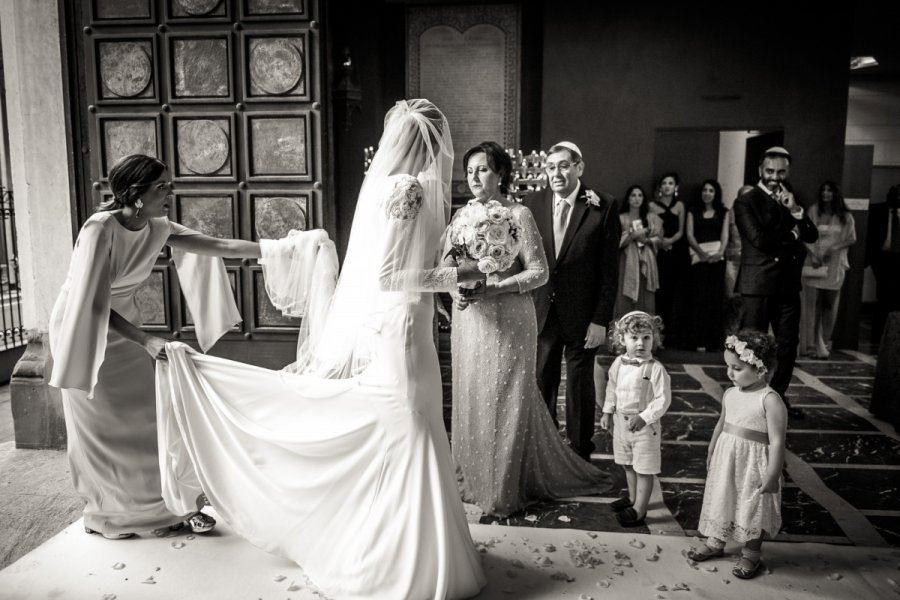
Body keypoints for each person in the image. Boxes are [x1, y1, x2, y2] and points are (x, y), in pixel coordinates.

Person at [153, 100, 487, 599]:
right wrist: (456, 274)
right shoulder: (409, 189)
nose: (443, 153)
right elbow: (391, 275)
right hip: (400, 329)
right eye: (440, 142)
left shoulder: (386, 189)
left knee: (412, 429)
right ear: (427, 143)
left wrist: (445, 282)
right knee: (411, 427)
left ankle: (406, 549)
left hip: (401, 323)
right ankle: (400, 557)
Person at [48, 154, 261, 539]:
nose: (170, 191)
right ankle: (110, 513)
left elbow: (221, 245)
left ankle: (168, 505)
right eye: (162, 186)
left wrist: (285, 250)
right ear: (135, 194)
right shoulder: (99, 229)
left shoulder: (156, 226)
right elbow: (93, 303)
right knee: (102, 425)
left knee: (148, 419)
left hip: (126, 327)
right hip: (83, 327)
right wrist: (145, 340)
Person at [445, 141, 609, 517]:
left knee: (506, 397)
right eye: (469, 171)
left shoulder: (519, 215)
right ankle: (473, 476)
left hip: (510, 317)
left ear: (500, 173)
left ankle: (502, 485)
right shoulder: (460, 217)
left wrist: (499, 286)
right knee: (473, 395)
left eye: (483, 169)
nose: (474, 178)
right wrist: (457, 293)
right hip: (471, 320)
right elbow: (451, 268)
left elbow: (538, 271)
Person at [523, 141, 620, 461]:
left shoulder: (603, 206)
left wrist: (600, 320)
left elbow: (609, 271)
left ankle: (580, 452)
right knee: (542, 381)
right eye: (550, 167)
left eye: (564, 165)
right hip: (542, 310)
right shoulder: (532, 203)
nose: (556, 173)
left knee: (580, 385)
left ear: (579, 167)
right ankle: (546, 450)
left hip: (583, 315)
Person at [689, 329, 786, 581]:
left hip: (754, 465)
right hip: (727, 458)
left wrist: (773, 474)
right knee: (724, 497)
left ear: (760, 369)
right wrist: (711, 449)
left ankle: (751, 552)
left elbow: (777, 441)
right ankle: (716, 540)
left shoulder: (770, 400)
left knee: (752, 507)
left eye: (737, 368)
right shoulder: (730, 393)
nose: (730, 373)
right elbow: (722, 423)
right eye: (728, 367)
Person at [734, 147, 817, 419]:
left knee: (787, 345)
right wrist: (792, 236)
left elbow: (812, 235)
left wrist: (793, 209)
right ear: (761, 170)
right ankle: (747, 401)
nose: (775, 177)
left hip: (788, 285)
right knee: (751, 346)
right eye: (770, 171)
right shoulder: (746, 201)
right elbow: (759, 240)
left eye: (781, 172)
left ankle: (777, 400)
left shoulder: (792, 198)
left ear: (787, 172)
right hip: (757, 283)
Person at [600, 311, 671, 527]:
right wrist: (607, 411)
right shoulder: (618, 365)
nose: (640, 343)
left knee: (644, 468)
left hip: (644, 427)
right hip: (621, 424)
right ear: (621, 339)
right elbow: (612, 389)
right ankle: (632, 499)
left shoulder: (655, 369)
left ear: (654, 339)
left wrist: (644, 417)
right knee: (628, 464)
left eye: (646, 337)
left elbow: (662, 400)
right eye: (634, 338)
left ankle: (640, 509)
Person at [800, 181, 857, 358]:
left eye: (829, 190)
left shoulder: (845, 215)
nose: (826, 193)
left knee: (829, 304)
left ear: (835, 193)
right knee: (813, 304)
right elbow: (805, 234)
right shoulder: (813, 211)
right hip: (814, 261)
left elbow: (851, 238)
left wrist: (833, 248)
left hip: (835, 263)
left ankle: (824, 342)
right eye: (823, 190)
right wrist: (815, 255)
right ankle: (810, 343)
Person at [686, 179, 729, 351]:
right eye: (705, 190)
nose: (707, 193)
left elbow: (725, 234)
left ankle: (714, 341)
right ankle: (697, 340)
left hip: (717, 259)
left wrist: (720, 253)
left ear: (716, 193)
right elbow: (690, 235)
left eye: (711, 190)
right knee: (698, 299)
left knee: (715, 300)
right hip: (698, 259)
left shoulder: (724, 212)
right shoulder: (693, 211)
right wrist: (701, 253)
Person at [650, 172, 691, 349]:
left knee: (678, 294)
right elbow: (652, 228)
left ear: (676, 187)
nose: (667, 186)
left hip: (677, 252)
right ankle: (660, 336)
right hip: (660, 253)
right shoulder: (652, 205)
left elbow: (681, 231)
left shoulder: (680, 205)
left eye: (671, 183)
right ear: (660, 187)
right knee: (662, 294)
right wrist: (661, 242)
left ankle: (676, 338)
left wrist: (670, 241)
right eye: (664, 183)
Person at [615, 184, 662, 317]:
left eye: (640, 195)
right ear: (628, 199)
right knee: (626, 294)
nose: (636, 198)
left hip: (646, 260)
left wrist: (647, 240)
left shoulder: (651, 217)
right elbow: (615, 242)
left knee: (645, 295)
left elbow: (659, 239)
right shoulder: (621, 218)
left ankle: (646, 329)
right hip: (627, 260)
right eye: (633, 195)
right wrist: (633, 235)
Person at [865, 183, 900, 348]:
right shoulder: (877, 210)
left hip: (898, 258)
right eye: (894, 194)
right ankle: (878, 335)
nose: (897, 198)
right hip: (882, 258)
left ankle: (893, 336)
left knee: (896, 297)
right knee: (884, 295)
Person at [725, 185, 754, 333]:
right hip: (733, 260)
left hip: (750, 262)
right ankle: (731, 332)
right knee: (732, 300)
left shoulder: (759, 214)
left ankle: (745, 333)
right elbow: (725, 237)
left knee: (748, 300)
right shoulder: (731, 213)